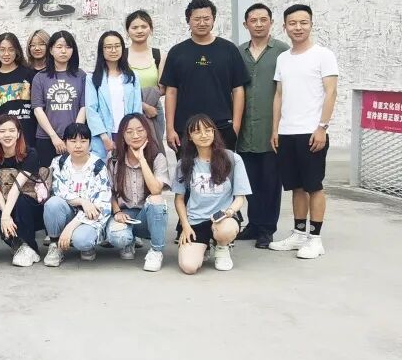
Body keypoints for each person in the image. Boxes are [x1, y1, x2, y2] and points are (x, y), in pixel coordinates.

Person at [268, 4, 339, 260]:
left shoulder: (323, 55)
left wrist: (322, 127)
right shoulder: (283, 58)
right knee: (296, 187)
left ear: (311, 24)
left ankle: (315, 238)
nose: (298, 27)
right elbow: (279, 95)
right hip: (287, 133)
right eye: (292, 23)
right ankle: (299, 234)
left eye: (303, 22)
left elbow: (331, 92)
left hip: (312, 132)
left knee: (313, 186)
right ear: (285, 27)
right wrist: (275, 129)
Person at [160, 0, 250, 152]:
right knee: (188, 167)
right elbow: (171, 92)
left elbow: (238, 90)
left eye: (206, 18)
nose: (202, 23)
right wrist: (170, 129)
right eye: (197, 19)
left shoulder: (229, 49)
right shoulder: (177, 52)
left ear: (213, 20)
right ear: (188, 20)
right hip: (186, 129)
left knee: (223, 168)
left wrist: (235, 127)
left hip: (222, 127)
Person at [236, 3, 289, 248]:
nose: (258, 24)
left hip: (271, 129)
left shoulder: (283, 51)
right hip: (245, 130)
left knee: (270, 183)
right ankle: (254, 225)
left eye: (263, 19)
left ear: (271, 22)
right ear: (245, 24)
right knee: (249, 181)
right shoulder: (238, 52)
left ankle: (267, 229)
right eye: (253, 20)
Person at [172, 114, 252, 274]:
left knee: (226, 230)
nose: (204, 135)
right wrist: (185, 226)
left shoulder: (232, 159)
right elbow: (179, 199)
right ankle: (206, 246)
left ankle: (222, 247)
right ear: (190, 136)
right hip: (195, 220)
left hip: (223, 219)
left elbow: (240, 197)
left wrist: (229, 212)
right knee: (189, 267)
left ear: (214, 132)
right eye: (197, 132)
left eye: (208, 130)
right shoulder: (184, 163)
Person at [105, 114, 170, 271]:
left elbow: (155, 190)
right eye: (129, 132)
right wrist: (117, 211)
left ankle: (156, 251)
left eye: (140, 130)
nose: (135, 135)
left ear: (147, 132)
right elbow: (108, 190)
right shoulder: (114, 157)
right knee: (119, 238)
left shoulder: (157, 157)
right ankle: (129, 240)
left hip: (147, 215)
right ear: (122, 135)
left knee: (156, 199)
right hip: (124, 213)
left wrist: (142, 159)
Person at [41, 123, 111, 266]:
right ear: (65, 143)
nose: (78, 146)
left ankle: (86, 246)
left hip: (89, 218)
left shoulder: (98, 166)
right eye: (73, 141)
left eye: (83, 141)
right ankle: (55, 244)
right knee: (53, 203)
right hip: (67, 212)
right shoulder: (58, 163)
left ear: (90, 144)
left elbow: (100, 205)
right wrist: (82, 201)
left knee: (82, 241)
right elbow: (59, 191)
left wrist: (70, 227)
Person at [0, 115, 45, 267]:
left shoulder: (30, 154)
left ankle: (31, 247)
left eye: (11, 130)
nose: (7, 135)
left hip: (32, 208)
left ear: (18, 133)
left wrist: (6, 216)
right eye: (2, 131)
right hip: (9, 206)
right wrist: (4, 215)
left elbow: (16, 188)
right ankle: (20, 245)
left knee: (21, 201)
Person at [31, 30, 87, 167]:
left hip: (74, 139)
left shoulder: (81, 75)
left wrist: (73, 136)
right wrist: (54, 137)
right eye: (59, 47)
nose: (63, 51)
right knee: (47, 176)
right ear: (51, 50)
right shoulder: (40, 77)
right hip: (46, 138)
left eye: (68, 47)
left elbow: (84, 107)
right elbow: (38, 109)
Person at [85, 30, 142, 159]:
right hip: (104, 135)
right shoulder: (92, 78)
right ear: (102, 50)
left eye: (117, 46)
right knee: (104, 167)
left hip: (128, 133)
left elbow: (137, 108)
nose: (113, 50)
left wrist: (134, 132)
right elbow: (91, 109)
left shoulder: (132, 77)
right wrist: (104, 137)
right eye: (108, 47)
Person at [124, 10, 166, 148]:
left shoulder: (159, 55)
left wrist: (149, 104)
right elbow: (118, 87)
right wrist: (142, 105)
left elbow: (162, 88)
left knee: (155, 149)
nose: (139, 31)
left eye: (144, 26)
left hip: (154, 110)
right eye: (134, 27)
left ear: (150, 29)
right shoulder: (122, 56)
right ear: (128, 31)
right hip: (127, 109)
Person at [0, 32, 37, 147]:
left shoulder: (29, 74)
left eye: (11, 49)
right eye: (2, 50)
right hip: (2, 138)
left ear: (17, 51)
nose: (6, 54)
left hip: (27, 134)